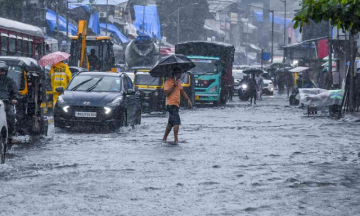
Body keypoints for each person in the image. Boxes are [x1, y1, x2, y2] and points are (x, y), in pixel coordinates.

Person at [163, 69, 192, 143]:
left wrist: (188, 100)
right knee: (177, 122)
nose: (181, 75)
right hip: (171, 105)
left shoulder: (179, 82)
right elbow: (166, 93)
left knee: (171, 123)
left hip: (176, 105)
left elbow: (182, 92)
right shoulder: (167, 82)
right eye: (179, 73)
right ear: (175, 74)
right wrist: (173, 86)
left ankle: (164, 138)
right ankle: (176, 139)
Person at [0, 61, 19, 141]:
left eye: (3, 71)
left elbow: (15, 91)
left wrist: (14, 99)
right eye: (0, 71)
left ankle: (10, 133)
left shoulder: (10, 81)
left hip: (6, 103)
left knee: (10, 116)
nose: (1, 73)